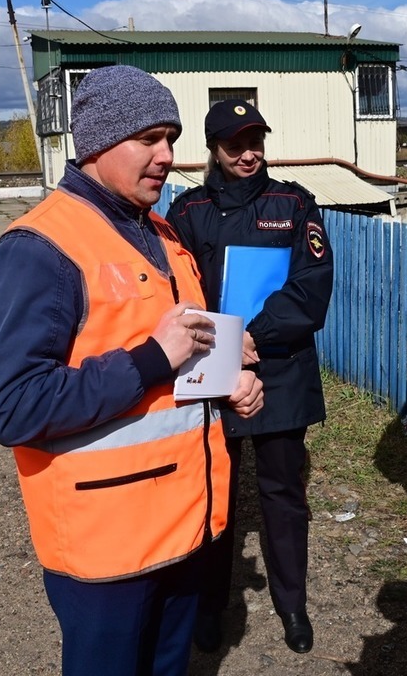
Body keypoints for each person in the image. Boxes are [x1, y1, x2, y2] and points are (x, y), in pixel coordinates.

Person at [0, 66, 264, 676]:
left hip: (185, 525)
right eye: (150, 138)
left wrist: (224, 372)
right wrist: (150, 361)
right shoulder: (38, 249)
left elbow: (177, 344)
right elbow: (15, 408)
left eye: (171, 138)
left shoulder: (160, 232)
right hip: (107, 546)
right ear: (98, 143)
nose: (167, 156)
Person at [165, 99, 333, 655]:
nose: (248, 153)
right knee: (212, 492)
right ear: (213, 148)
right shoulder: (186, 212)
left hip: (279, 370)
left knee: (283, 493)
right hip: (211, 371)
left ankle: (292, 604)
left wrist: (254, 335)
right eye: (235, 144)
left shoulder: (294, 203)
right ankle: (210, 606)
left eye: (255, 140)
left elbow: (311, 286)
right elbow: (175, 293)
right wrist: (224, 348)